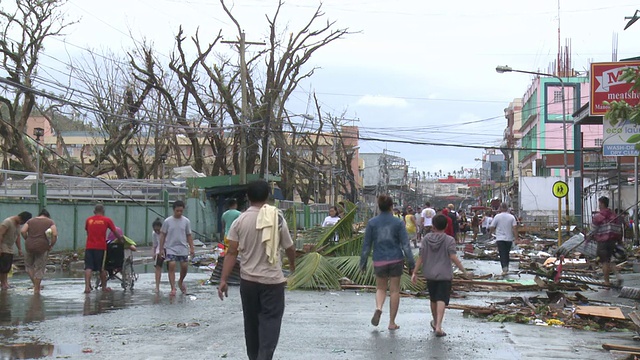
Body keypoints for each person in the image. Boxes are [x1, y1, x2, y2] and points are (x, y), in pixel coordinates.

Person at [218, 180, 296, 360]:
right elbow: (289, 247)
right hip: (272, 283)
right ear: (269, 196)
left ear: (247, 197)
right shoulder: (276, 218)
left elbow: (231, 252)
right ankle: (264, 356)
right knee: (271, 321)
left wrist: (223, 279)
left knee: (251, 324)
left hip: (248, 282)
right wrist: (292, 265)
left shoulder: (240, 220)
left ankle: (254, 357)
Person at [360, 195, 415, 331]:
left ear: (379, 207)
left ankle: (379, 308)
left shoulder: (372, 223)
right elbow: (406, 245)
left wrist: (362, 263)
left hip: (379, 259)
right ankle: (391, 322)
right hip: (396, 259)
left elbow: (366, 245)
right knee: (395, 290)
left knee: (380, 288)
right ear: (391, 207)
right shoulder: (398, 223)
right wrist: (411, 264)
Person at [412, 214, 468, 337]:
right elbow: (453, 257)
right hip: (444, 274)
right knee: (441, 299)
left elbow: (421, 257)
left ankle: (435, 321)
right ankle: (438, 326)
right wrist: (464, 271)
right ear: (446, 226)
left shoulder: (426, 239)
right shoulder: (449, 240)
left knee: (433, 299)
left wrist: (414, 272)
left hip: (430, 273)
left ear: (433, 225)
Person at [158, 200, 195, 296]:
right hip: (170, 247)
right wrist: (161, 249)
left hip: (182, 247)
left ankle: (180, 281)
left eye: (181, 211)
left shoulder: (186, 221)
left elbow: (189, 235)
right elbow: (162, 235)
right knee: (172, 265)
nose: (179, 213)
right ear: (173, 210)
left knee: (184, 266)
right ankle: (173, 287)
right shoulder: (167, 221)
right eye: (177, 211)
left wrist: (192, 248)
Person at [84, 204, 122, 293]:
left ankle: (87, 288)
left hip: (89, 247)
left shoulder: (89, 220)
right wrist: (120, 240)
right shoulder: (107, 220)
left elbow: (87, 232)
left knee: (88, 267)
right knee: (102, 268)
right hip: (100, 247)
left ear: (94, 211)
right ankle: (104, 287)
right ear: (103, 211)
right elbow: (115, 232)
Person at [21, 209, 56, 294]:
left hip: (29, 246)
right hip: (42, 246)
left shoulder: (30, 221)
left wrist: (27, 238)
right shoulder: (50, 222)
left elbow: (23, 231)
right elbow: (54, 234)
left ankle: (35, 285)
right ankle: (37, 289)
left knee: (29, 266)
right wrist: (51, 244)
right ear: (47, 215)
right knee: (39, 268)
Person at [592, 196, 623, 287]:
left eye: (599, 204)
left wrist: (589, 237)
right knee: (609, 259)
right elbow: (618, 230)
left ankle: (606, 281)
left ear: (602, 204)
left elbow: (593, 230)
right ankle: (618, 276)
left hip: (602, 242)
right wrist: (619, 241)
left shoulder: (598, 216)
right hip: (612, 241)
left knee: (604, 261)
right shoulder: (614, 216)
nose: (599, 205)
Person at [0, 212, 32, 289]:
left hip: (10, 247)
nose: (21, 224)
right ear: (20, 218)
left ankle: (5, 282)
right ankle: (3, 283)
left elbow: (17, 237)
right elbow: (0, 234)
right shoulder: (7, 222)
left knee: (7, 267)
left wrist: (19, 249)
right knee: (3, 267)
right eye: (22, 222)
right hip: (3, 246)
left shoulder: (17, 225)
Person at [489, 203, 518, 276]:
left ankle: (504, 269)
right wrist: (516, 238)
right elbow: (514, 228)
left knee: (502, 254)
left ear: (501, 208)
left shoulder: (497, 217)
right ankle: (506, 267)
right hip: (509, 239)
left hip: (500, 239)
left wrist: (490, 233)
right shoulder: (512, 217)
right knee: (507, 253)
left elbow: (492, 226)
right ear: (507, 208)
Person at [150, 218, 164, 293]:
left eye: (159, 230)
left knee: (171, 266)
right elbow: (155, 244)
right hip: (159, 250)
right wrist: (154, 253)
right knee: (158, 267)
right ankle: (157, 287)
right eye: (156, 230)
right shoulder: (154, 234)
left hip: (167, 249)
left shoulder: (165, 232)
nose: (157, 232)